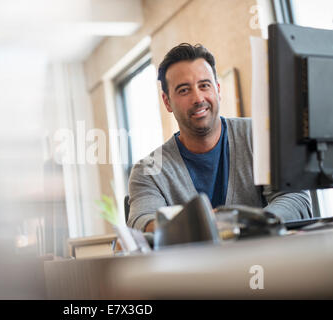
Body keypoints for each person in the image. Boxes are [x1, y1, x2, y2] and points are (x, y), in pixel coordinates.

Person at [127, 43, 312, 233]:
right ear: (167, 102)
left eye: (204, 85)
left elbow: (295, 199)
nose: (198, 98)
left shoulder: (260, 136)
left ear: (217, 89)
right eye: (184, 90)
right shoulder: (148, 170)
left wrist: (241, 224)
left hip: (268, 259)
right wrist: (202, 227)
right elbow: (142, 222)